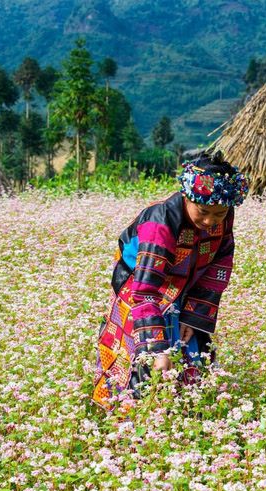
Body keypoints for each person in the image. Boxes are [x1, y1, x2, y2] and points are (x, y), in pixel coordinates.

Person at [92, 151, 249, 411]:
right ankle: (128, 423)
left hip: (184, 288)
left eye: (219, 214)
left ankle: (185, 414)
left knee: (192, 348)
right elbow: (144, 291)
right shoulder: (160, 221)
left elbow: (218, 265)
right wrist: (158, 350)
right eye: (203, 211)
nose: (210, 221)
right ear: (188, 197)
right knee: (140, 359)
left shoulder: (223, 216)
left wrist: (192, 315)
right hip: (138, 286)